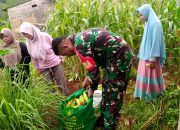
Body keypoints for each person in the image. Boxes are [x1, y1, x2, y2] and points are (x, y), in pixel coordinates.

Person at [52, 28, 135, 129]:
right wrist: (88, 77)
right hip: (114, 57)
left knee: (113, 91)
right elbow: (92, 62)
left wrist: (92, 88)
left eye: (64, 54)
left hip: (120, 57)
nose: (67, 56)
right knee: (107, 87)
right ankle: (103, 119)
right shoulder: (77, 38)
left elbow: (94, 73)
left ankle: (109, 125)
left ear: (65, 47)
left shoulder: (79, 46)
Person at [19, 22, 67, 94]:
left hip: (54, 60)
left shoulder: (44, 36)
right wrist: (37, 67)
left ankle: (64, 96)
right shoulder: (28, 42)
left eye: (26, 33)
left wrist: (61, 56)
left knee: (60, 80)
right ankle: (54, 99)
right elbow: (33, 56)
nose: (26, 35)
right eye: (24, 34)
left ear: (31, 30)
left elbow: (55, 45)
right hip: (42, 65)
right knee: (48, 84)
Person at [134, 4, 166, 100]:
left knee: (150, 75)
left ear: (147, 12)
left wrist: (152, 58)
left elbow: (156, 41)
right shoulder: (148, 22)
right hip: (145, 55)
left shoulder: (155, 23)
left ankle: (152, 95)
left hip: (151, 57)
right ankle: (143, 94)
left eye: (141, 14)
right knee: (144, 74)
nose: (140, 17)